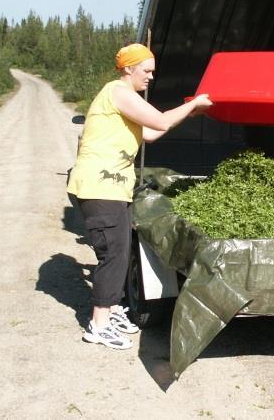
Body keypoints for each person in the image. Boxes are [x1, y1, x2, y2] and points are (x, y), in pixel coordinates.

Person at [67, 43, 212, 350]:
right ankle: (99, 325)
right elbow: (160, 121)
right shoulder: (118, 93)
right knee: (114, 255)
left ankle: (111, 310)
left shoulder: (125, 99)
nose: (151, 77)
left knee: (120, 250)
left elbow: (150, 133)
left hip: (112, 189)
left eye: (153, 72)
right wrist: (193, 103)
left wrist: (189, 113)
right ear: (128, 69)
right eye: (146, 71)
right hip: (98, 187)